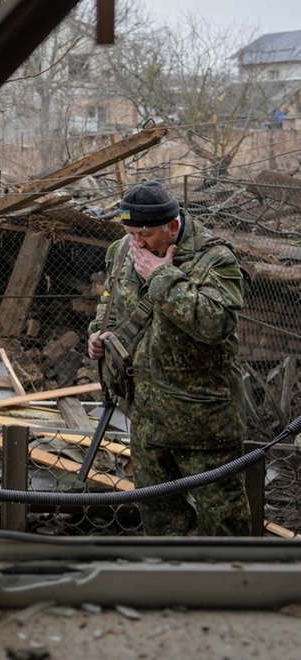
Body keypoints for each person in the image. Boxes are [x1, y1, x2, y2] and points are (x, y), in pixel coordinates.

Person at [87, 180, 251, 536]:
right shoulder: (122, 251)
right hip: (145, 417)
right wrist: (99, 335)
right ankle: (171, 587)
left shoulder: (215, 258)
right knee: (160, 520)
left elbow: (215, 323)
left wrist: (161, 275)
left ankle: (228, 590)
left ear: (173, 226)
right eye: (130, 233)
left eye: (145, 234)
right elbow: (109, 303)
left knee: (223, 523)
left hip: (203, 421)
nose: (138, 243)